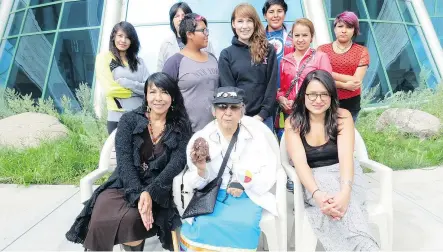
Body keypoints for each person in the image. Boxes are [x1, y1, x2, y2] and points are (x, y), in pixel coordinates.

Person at [65, 72, 192, 251]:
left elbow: (175, 165)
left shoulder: (182, 126)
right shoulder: (129, 120)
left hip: (159, 188)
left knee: (132, 220)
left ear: (173, 96)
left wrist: (150, 193)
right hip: (124, 184)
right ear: (146, 95)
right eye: (153, 92)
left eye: (164, 92)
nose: (158, 98)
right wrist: (139, 194)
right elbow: (123, 162)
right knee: (101, 217)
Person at [284, 70, 379, 251]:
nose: (318, 100)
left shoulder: (343, 116)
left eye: (324, 94)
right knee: (339, 206)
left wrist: (345, 192)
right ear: (304, 95)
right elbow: (300, 163)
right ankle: (367, 247)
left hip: (347, 176)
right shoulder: (293, 122)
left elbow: (345, 158)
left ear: (331, 95)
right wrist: (317, 195)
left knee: (344, 204)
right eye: (312, 94)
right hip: (314, 180)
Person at [179, 86, 278, 251]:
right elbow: (196, 183)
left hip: (248, 195)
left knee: (244, 225)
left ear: (242, 111)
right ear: (214, 111)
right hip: (214, 195)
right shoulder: (201, 138)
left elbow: (269, 170)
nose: (228, 112)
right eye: (222, 107)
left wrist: (244, 182)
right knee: (202, 225)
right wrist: (201, 169)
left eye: (234, 107)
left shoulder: (256, 136)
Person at [218, 3, 278, 131]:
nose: (244, 26)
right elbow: (228, 89)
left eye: (249, 21)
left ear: (254, 23)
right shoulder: (226, 55)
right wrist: (240, 115)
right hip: (238, 119)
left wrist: (262, 115)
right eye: (240, 21)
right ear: (233, 24)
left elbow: (272, 85)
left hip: (264, 119)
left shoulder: (268, 50)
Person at [276, 18, 332, 140]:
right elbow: (282, 88)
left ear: (311, 37)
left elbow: (327, 87)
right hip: (290, 114)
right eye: (297, 35)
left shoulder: (320, 57)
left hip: (313, 114)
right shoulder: (285, 60)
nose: (300, 39)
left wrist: (299, 102)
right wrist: (281, 98)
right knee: (292, 149)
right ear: (292, 37)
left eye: (305, 35)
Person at [162, 13, 218, 133]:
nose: (207, 34)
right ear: (189, 34)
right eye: (203, 31)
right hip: (185, 134)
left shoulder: (213, 58)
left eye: (207, 30)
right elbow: (163, 97)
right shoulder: (174, 62)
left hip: (214, 131)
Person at [95, 21, 150, 134]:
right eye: (120, 36)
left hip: (140, 117)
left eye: (127, 37)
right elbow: (110, 89)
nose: (123, 41)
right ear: (113, 36)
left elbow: (149, 89)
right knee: (119, 152)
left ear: (132, 41)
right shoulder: (105, 58)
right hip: (117, 118)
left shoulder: (140, 62)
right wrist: (137, 92)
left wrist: (127, 83)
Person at [318, 11, 370, 122]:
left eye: (349, 27)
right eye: (340, 26)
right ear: (334, 28)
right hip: (324, 99)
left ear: (355, 30)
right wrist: (344, 85)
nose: (344, 30)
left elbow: (356, 81)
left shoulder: (362, 51)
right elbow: (320, 78)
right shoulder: (322, 50)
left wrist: (330, 74)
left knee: (346, 137)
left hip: (351, 104)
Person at [157, 2, 214, 71]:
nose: (180, 19)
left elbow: (214, 66)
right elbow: (160, 72)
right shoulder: (166, 44)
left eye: (183, 15)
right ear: (172, 21)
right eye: (177, 16)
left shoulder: (204, 41)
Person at [262, 0, 294, 89]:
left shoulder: (294, 35)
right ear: (265, 16)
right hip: (266, 91)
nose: (275, 15)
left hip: (290, 89)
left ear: (285, 14)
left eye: (279, 11)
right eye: (271, 12)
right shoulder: (258, 38)